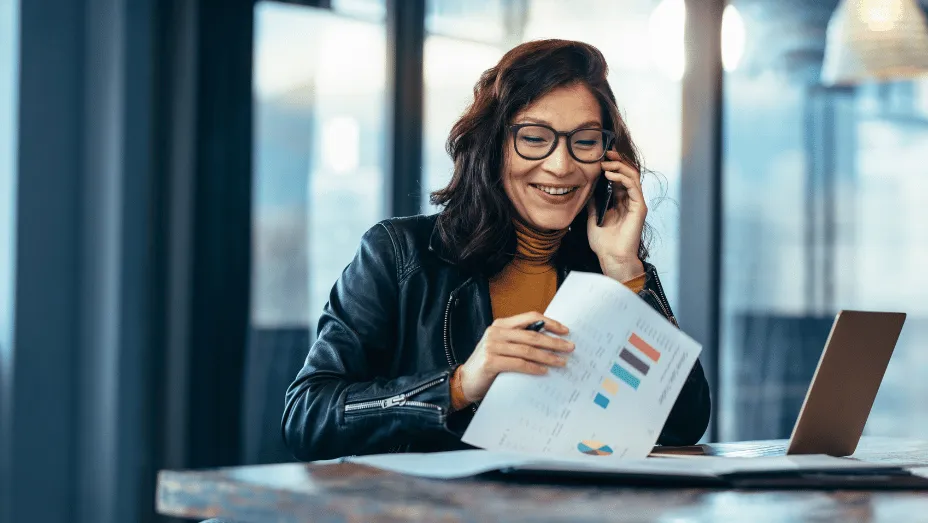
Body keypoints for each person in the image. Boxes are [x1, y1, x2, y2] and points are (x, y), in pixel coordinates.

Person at [282, 39, 710, 462]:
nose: (561, 165)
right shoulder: (399, 254)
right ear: (492, 146)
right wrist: (458, 385)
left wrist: (625, 270)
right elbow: (307, 416)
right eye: (534, 138)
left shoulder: (605, 267)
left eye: (584, 141)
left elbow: (682, 423)